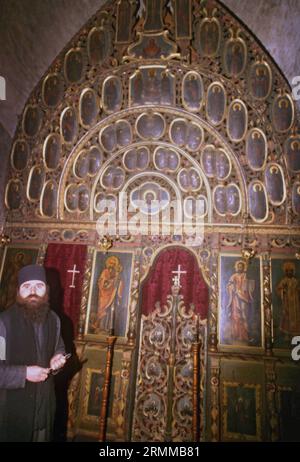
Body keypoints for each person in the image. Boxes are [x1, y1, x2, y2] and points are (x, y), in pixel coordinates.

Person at [0, 264, 67, 442]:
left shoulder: (54, 319)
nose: (33, 291)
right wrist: (24, 373)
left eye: (39, 286)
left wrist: (58, 359)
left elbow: (59, 348)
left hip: (44, 410)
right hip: (12, 413)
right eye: (26, 286)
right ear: (18, 291)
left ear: (47, 290)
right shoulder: (4, 323)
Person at [226, 260, 255, 344]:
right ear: (236, 267)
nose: (240, 268)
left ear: (243, 268)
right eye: (238, 266)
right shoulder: (233, 276)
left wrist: (245, 289)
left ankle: (245, 335)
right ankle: (235, 334)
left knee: (244, 316)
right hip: (235, 298)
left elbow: (249, 286)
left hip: (244, 298)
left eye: (241, 267)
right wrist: (232, 288)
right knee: (236, 316)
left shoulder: (245, 276)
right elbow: (229, 285)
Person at [276, 261, 300, 337]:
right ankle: (287, 334)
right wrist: (283, 290)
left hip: (295, 302)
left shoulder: (295, 280)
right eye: (288, 271)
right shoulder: (284, 280)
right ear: (286, 272)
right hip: (287, 301)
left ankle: (294, 334)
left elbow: (298, 289)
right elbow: (279, 289)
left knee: (296, 317)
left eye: (291, 271)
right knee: (286, 317)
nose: (289, 272)